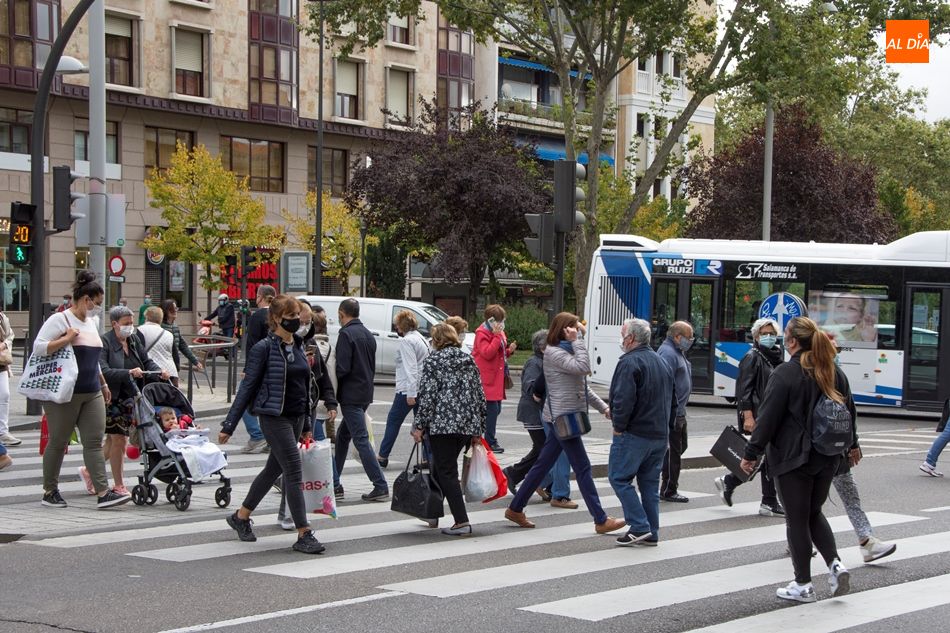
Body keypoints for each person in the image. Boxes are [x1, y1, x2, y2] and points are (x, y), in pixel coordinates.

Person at [740, 316, 856, 603]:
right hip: (827, 457)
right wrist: (853, 446)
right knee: (813, 513)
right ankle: (835, 565)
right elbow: (850, 414)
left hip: (793, 459)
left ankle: (803, 584)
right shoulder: (833, 372)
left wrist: (751, 454)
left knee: (796, 519)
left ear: (791, 341)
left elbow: (767, 419)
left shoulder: (785, 374)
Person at [218, 294, 325, 554]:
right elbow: (247, 388)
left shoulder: (299, 345)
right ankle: (304, 532)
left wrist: (308, 425)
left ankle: (241, 517)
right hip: (272, 416)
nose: (295, 322)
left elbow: (304, 388)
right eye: (290, 318)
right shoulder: (263, 349)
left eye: (297, 317)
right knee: (293, 469)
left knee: (271, 471)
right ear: (276, 319)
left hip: (296, 417)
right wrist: (229, 424)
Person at [504, 312, 625, 535]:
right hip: (563, 417)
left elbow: (582, 386)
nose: (578, 331)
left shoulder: (566, 351)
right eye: (574, 328)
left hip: (563, 415)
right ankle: (600, 519)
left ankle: (515, 508)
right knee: (583, 467)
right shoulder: (554, 353)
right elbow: (584, 367)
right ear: (564, 330)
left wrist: (603, 408)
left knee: (542, 465)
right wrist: (576, 341)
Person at [35, 271, 130, 509]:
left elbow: (94, 358)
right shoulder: (60, 320)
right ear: (85, 299)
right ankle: (50, 490)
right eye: (96, 303)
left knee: (94, 441)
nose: (98, 308)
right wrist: (66, 338)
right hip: (65, 393)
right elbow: (39, 348)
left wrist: (103, 383)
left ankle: (103, 492)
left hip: (92, 391)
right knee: (58, 441)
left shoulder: (92, 323)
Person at [411, 323, 485, 536]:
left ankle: (461, 521)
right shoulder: (468, 359)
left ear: (436, 340)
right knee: (442, 467)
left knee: (446, 471)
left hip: (442, 425)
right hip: (466, 425)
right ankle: (432, 511)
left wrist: (419, 425)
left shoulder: (434, 361)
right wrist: (479, 429)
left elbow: (428, 396)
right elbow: (480, 394)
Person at [608, 318, 676, 546]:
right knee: (649, 484)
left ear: (631, 338)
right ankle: (651, 531)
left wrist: (618, 427)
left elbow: (623, 399)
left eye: (622, 333)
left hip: (635, 433)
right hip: (659, 434)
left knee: (619, 477)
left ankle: (639, 525)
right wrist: (669, 429)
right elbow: (674, 401)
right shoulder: (661, 361)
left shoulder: (629, 362)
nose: (621, 338)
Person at [276, 300, 337, 531]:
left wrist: (330, 401)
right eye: (301, 320)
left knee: (289, 466)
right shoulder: (277, 345)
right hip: (285, 412)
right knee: (290, 466)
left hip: (306, 408)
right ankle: (289, 515)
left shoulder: (308, 343)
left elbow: (321, 377)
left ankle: (284, 513)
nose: (304, 325)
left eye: (308, 321)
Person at [714, 317, 784, 516]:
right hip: (758, 414)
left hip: (771, 414)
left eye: (772, 333)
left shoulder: (775, 357)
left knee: (766, 457)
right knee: (766, 456)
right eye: (764, 334)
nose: (769, 337)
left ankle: (731, 483)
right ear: (756, 336)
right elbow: (744, 390)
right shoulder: (752, 357)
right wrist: (748, 417)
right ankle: (766, 500)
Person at [98, 305, 169, 495]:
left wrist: (158, 371)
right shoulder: (105, 342)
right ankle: (119, 484)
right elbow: (103, 371)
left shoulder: (134, 339)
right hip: (111, 397)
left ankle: (90, 471)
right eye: (126, 323)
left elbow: (146, 361)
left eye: (131, 323)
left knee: (112, 442)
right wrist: (128, 372)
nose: (130, 327)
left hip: (131, 396)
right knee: (119, 439)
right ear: (114, 324)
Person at [503, 329, 567, 505]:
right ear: (542, 347)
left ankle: (540, 482)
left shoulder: (544, 361)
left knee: (546, 449)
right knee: (543, 449)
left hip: (542, 411)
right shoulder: (534, 363)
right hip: (533, 412)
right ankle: (514, 474)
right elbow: (530, 387)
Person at [334, 298, 388, 502]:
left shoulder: (346, 334)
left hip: (351, 394)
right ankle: (334, 481)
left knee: (361, 440)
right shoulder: (367, 334)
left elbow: (342, 368)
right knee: (342, 438)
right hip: (365, 392)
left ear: (341, 313)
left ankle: (380, 485)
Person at [377, 310, 430, 468]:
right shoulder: (420, 338)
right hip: (421, 387)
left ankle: (382, 456)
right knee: (422, 424)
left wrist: (411, 393)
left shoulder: (407, 341)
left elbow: (411, 368)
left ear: (401, 326)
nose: (395, 328)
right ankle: (427, 458)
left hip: (408, 389)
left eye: (396, 325)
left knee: (393, 420)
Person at [237, 285, 277, 454]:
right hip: (275, 366)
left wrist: (248, 368)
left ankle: (256, 435)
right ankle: (271, 438)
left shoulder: (258, 316)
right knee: (269, 402)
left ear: (260, 296)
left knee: (243, 397)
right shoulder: (278, 315)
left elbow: (252, 344)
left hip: (259, 366)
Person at [657, 321, 693, 503]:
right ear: (677, 337)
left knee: (679, 448)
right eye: (689, 337)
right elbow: (663, 383)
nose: (691, 340)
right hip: (672, 412)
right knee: (673, 452)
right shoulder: (668, 353)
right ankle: (669, 489)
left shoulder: (678, 352)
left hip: (679, 411)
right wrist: (670, 411)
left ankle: (664, 475)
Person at [473, 305, 516, 453]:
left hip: (497, 378)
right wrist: (497, 337)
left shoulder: (499, 332)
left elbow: (499, 352)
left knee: (495, 410)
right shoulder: (482, 333)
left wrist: (509, 351)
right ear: (491, 320)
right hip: (487, 378)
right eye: (499, 320)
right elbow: (487, 353)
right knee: (492, 410)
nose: (501, 323)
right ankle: (490, 441)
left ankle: (480, 435)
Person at [160, 299, 203, 388]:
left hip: (173, 363)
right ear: (166, 311)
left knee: (173, 388)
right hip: (163, 364)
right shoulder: (160, 327)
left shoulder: (175, 326)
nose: (175, 311)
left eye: (176, 308)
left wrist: (195, 361)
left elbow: (182, 345)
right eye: (173, 309)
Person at [312, 309, 338, 445]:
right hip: (330, 395)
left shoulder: (313, 348)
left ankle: (329, 465)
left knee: (319, 440)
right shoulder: (331, 348)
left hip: (318, 398)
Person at [139, 306, 177, 384]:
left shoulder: (141, 330)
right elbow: (175, 355)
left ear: (147, 317)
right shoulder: (169, 334)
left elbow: (139, 352)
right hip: (170, 372)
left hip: (152, 373)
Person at [0, 307, 19, 446]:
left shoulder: (2, 317)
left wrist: (4, 344)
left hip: (1, 362)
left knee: (4, 395)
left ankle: (3, 432)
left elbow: (10, 335)